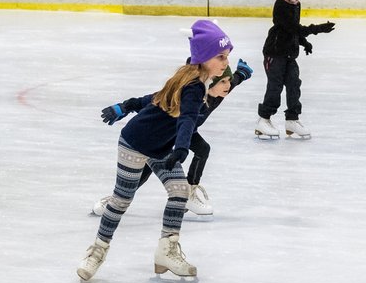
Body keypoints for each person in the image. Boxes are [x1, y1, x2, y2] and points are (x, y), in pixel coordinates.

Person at [76, 19, 232, 283]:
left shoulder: (194, 77)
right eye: (220, 56)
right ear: (204, 56)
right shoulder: (193, 86)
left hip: (159, 148)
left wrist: (126, 106)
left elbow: (155, 97)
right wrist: (182, 148)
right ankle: (97, 252)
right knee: (121, 200)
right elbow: (185, 119)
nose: (226, 62)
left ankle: (166, 252)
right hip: (134, 144)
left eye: (227, 56)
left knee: (180, 191)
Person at [92, 58, 253, 219]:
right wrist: (125, 106)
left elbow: (233, 81)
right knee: (144, 172)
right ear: (210, 84)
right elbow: (152, 99)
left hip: (185, 131)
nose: (228, 85)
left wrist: (242, 73)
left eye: (229, 81)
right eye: (223, 82)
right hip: (162, 134)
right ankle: (116, 200)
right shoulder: (188, 94)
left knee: (203, 149)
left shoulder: (219, 91)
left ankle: (190, 191)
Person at [254, 0, 334, 140]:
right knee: (275, 87)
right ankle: (264, 120)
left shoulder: (295, 2)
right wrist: (317, 29)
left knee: (293, 84)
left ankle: (292, 120)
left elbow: (293, 31)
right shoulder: (281, 5)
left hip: (289, 52)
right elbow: (291, 27)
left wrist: (304, 42)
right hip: (274, 53)